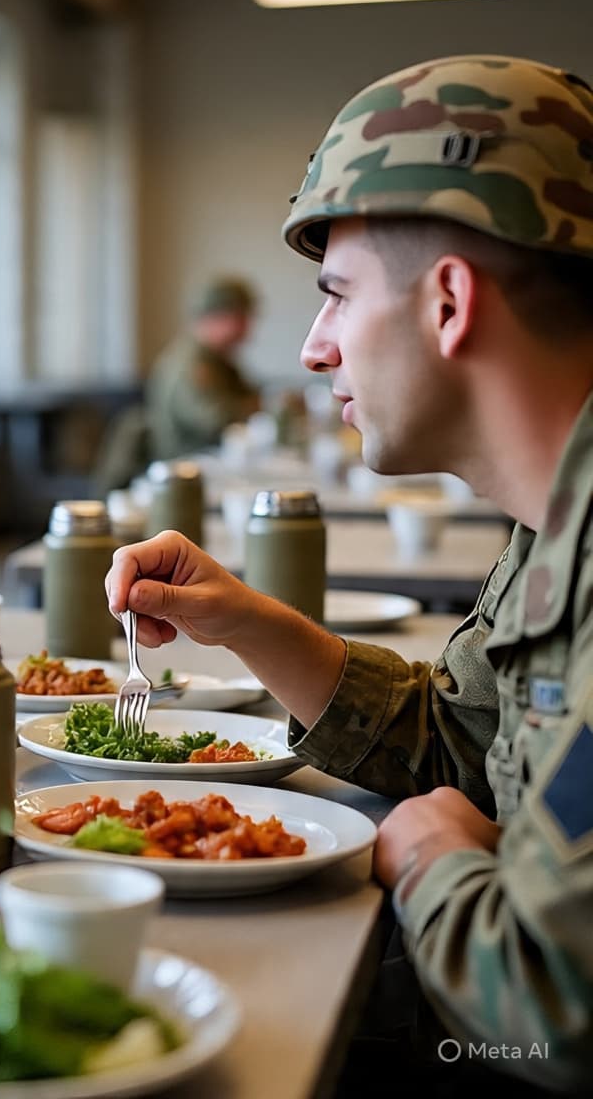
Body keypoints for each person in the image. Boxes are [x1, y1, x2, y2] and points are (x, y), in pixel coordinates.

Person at [106, 55, 593, 1090]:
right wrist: (246, 620)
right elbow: (465, 738)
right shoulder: (553, 512)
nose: (314, 346)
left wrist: (427, 856)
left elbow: (558, 1010)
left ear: (448, 303)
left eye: (334, 296)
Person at [90, 276, 260, 496]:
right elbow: (216, 419)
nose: (248, 327)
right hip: (184, 476)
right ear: (218, 317)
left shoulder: (218, 361)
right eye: (242, 317)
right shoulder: (191, 363)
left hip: (204, 472)